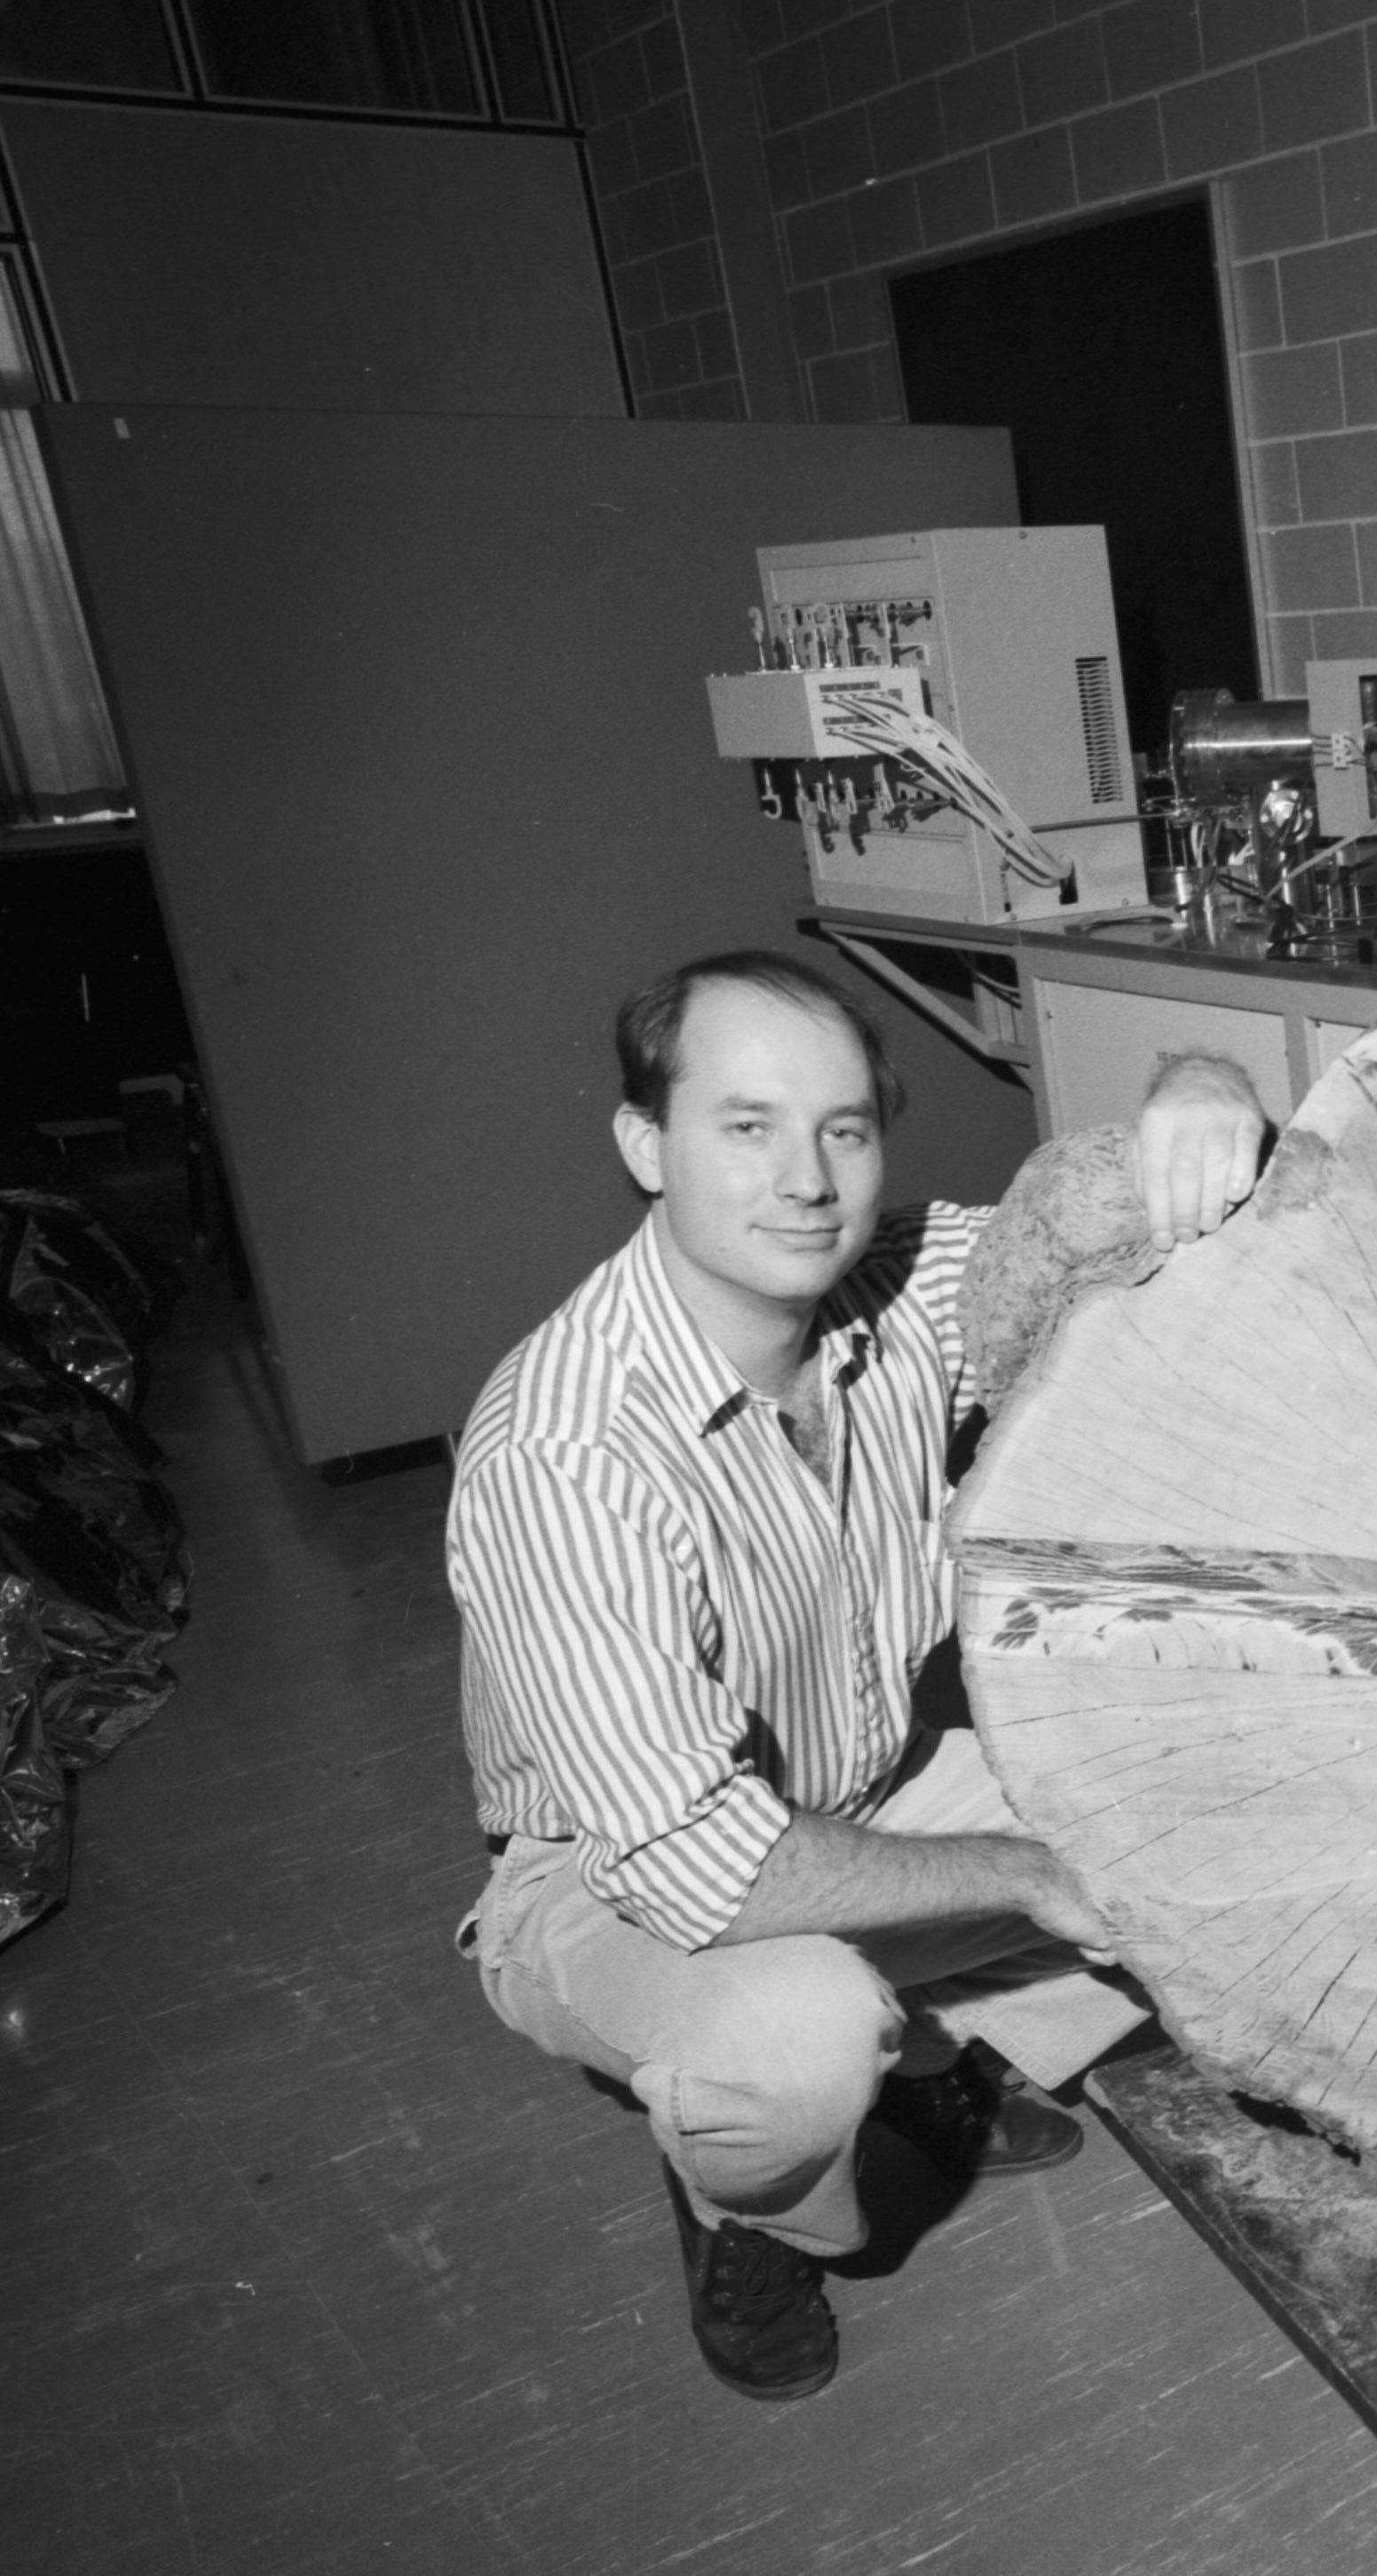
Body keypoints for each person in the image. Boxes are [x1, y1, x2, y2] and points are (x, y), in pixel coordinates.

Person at [447, 949, 1265, 2403]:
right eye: (746, 1126)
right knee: (795, 2040)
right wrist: (1026, 1871)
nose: (808, 1181)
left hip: (856, 1776)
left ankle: (934, 2059)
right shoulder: (563, 1452)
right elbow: (695, 1861)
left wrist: (1201, 1087)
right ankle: (753, 2217)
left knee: (1207, 1810)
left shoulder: (891, 1280)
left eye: (843, 1128)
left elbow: (1093, 1208)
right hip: (605, 1869)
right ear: (646, 1144)